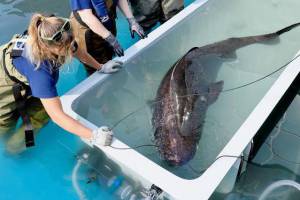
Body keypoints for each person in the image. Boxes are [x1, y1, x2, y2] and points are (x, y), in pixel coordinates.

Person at [0, 13, 118, 154]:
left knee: (41, 115)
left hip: (24, 79)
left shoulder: (56, 35)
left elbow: (76, 49)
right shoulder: (40, 70)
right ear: (46, 47)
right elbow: (57, 116)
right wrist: (93, 135)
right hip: (4, 89)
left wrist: (100, 66)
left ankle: (19, 144)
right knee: (5, 129)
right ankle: (11, 153)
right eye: (65, 48)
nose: (70, 48)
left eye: (71, 40)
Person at [70, 0, 146, 75]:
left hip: (106, 16)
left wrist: (131, 20)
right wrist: (110, 39)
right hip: (87, 27)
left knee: (110, 55)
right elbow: (87, 17)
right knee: (98, 67)